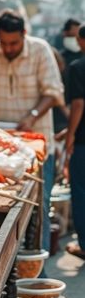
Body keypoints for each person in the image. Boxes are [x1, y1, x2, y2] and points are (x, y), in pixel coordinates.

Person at [0, 9, 64, 252]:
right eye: (4, 42)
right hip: (1, 145)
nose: (8, 48)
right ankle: (14, 260)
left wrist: (32, 116)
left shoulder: (40, 50)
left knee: (39, 204)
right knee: (4, 206)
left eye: (14, 43)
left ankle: (38, 268)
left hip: (35, 142)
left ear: (24, 34)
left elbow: (53, 93)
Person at [65, 23, 85, 259]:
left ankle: (83, 245)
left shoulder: (78, 67)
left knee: (80, 192)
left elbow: (79, 105)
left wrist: (69, 135)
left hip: (82, 142)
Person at [60, 18, 81, 102]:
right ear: (65, 34)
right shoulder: (59, 58)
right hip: (65, 104)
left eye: (78, 37)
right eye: (72, 36)